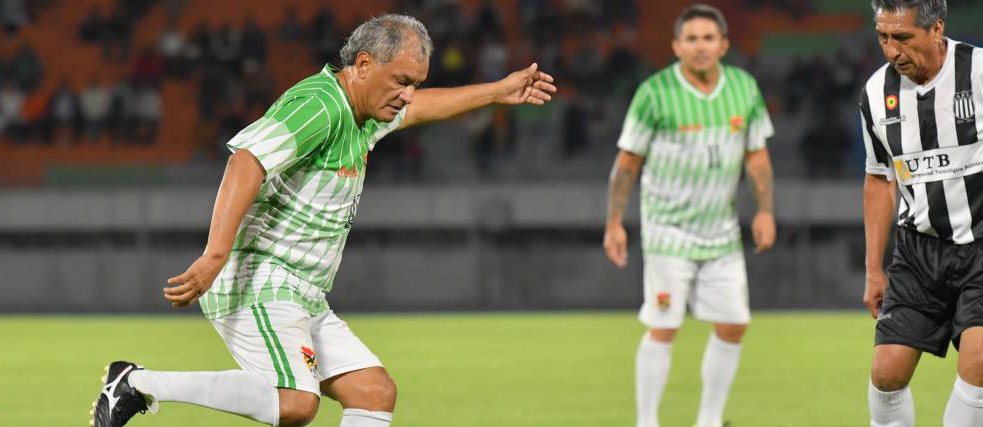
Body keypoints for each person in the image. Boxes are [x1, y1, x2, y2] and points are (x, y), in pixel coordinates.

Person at [90, 14, 556, 427]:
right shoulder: (322, 104)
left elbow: (420, 108)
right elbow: (247, 160)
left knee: (374, 393)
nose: (408, 94)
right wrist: (215, 255)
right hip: (260, 277)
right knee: (297, 402)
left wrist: (497, 91)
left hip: (304, 291)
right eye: (402, 81)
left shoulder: (368, 110)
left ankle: (138, 383)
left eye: (415, 82)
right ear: (365, 64)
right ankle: (138, 384)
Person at [602, 4, 775, 427]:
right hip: (668, 232)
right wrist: (614, 222)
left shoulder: (744, 88)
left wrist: (765, 211)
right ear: (676, 45)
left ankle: (709, 421)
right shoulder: (654, 93)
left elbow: (757, 158)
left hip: (721, 232)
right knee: (664, 326)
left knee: (734, 323)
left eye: (709, 38)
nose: (701, 46)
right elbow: (627, 165)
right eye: (692, 39)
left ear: (724, 45)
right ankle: (647, 422)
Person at [859, 1, 983, 425]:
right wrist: (874, 268)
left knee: (979, 362)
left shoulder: (980, 73)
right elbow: (878, 178)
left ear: (936, 29)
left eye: (903, 38)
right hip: (918, 253)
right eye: (883, 38)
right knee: (886, 372)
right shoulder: (876, 94)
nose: (891, 50)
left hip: (981, 246)